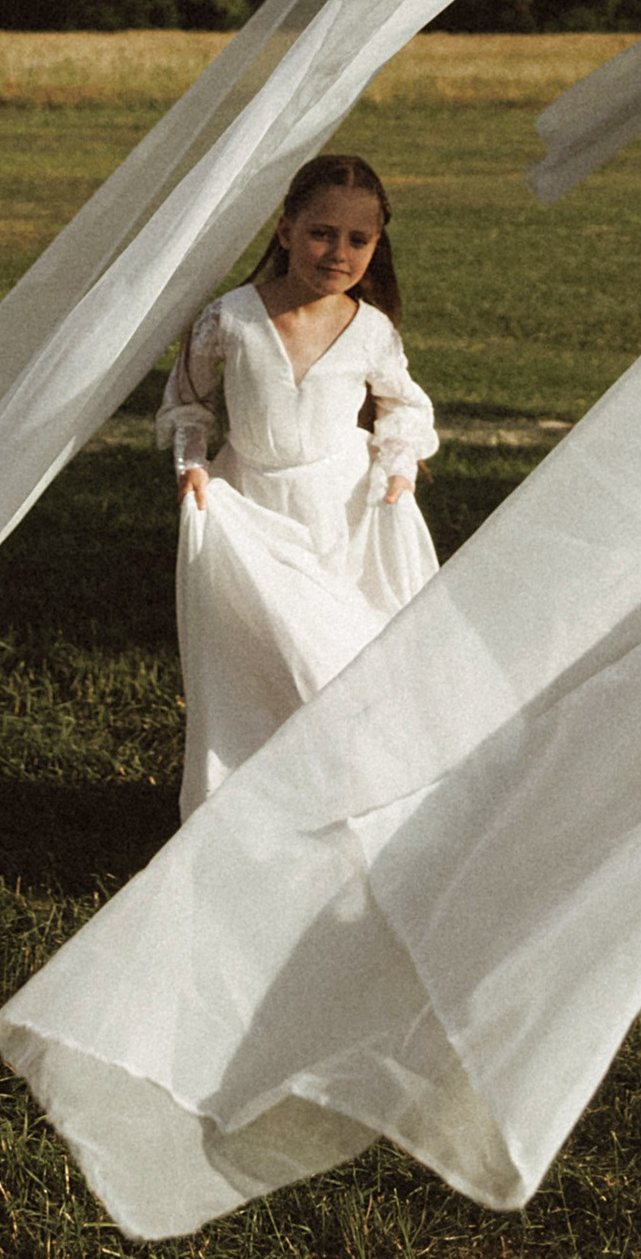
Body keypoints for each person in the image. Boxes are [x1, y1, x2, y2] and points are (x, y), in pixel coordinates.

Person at [156, 149, 440, 817]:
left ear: (375, 245)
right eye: (321, 232)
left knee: (339, 654)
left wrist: (398, 466)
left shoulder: (369, 330)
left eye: (357, 239)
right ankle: (259, 806)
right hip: (252, 508)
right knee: (263, 660)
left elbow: (405, 404)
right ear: (286, 231)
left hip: (341, 511)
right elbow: (186, 403)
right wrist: (191, 464)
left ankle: (348, 798)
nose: (336, 251)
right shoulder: (230, 319)